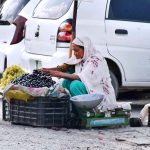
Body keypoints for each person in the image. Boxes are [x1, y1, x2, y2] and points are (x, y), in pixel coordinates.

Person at [40, 37, 117, 111]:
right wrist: (47, 70)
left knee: (75, 85)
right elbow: (64, 67)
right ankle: (75, 111)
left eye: (77, 51)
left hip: (98, 93)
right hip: (86, 89)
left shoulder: (96, 60)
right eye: (73, 51)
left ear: (85, 49)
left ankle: (85, 113)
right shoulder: (79, 58)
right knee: (66, 82)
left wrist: (58, 74)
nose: (75, 54)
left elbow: (80, 77)